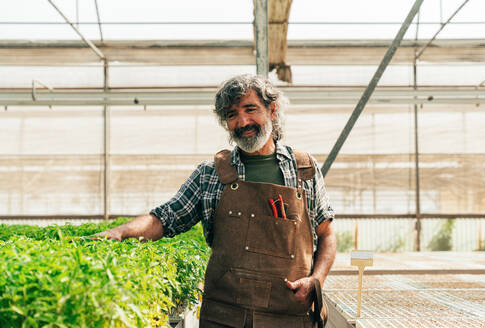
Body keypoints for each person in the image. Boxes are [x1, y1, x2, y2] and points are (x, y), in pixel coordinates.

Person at [95, 74, 336, 327]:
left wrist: (316, 280)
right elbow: (164, 218)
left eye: (250, 109)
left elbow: (327, 234)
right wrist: (119, 233)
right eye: (232, 115)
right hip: (225, 317)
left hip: (288, 317)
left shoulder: (303, 169)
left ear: (272, 110)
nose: (242, 121)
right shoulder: (211, 174)